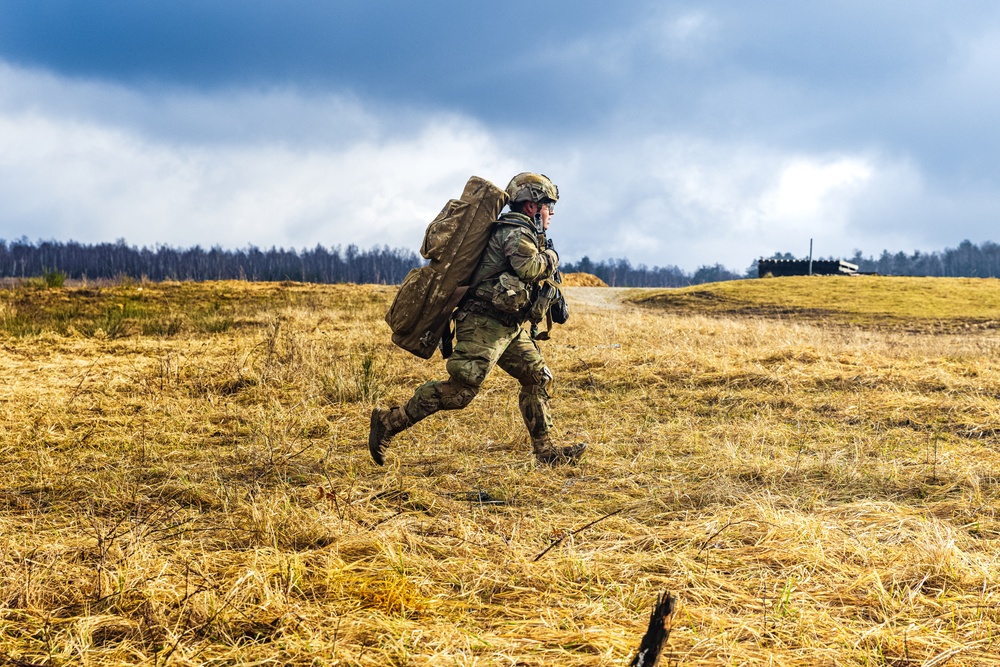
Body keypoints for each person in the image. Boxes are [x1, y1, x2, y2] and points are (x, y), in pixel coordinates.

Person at [368, 172, 587, 466]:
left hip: (506, 326)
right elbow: (529, 268)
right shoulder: (515, 232)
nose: (552, 213)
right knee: (460, 392)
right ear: (532, 206)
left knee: (536, 377)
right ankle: (389, 421)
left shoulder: (528, 233)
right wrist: (552, 257)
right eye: (548, 205)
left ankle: (545, 451)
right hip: (483, 323)